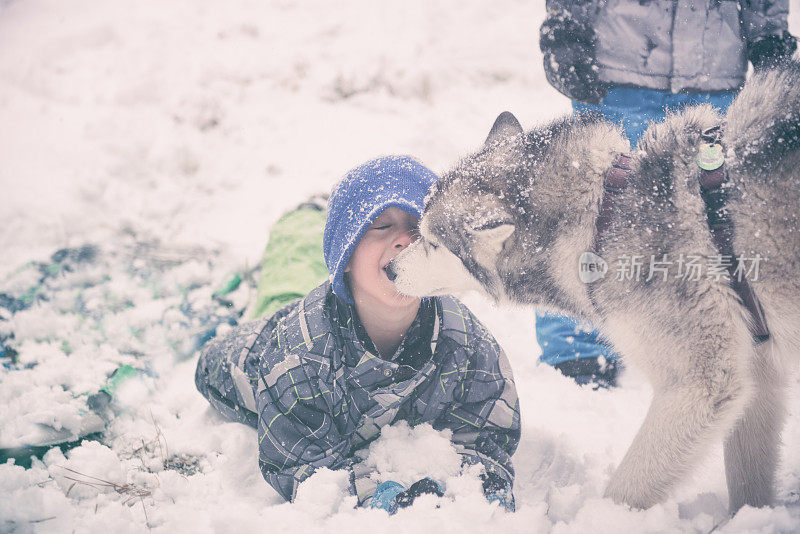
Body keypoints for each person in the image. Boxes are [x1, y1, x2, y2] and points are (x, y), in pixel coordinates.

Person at [195, 155, 520, 513]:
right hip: (255, 350)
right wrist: (377, 496)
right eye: (381, 225)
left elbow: (486, 432)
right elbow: (303, 466)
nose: (404, 240)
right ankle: (304, 217)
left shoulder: (469, 346)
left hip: (338, 304)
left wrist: (482, 481)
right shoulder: (296, 358)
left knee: (299, 285)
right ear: (345, 254)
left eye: (419, 227)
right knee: (283, 286)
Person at [537, 0, 797, 387]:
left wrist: (768, 34)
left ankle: (730, 333)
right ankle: (578, 348)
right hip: (617, 78)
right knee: (593, 211)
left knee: (721, 222)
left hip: (717, 78)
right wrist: (565, 28)